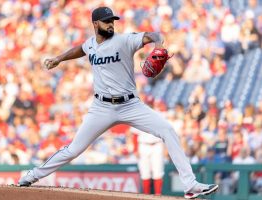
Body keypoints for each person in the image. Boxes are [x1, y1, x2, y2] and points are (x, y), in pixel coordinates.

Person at [18, 6, 218, 199]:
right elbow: (81, 49)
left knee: (167, 130)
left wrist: (158, 45)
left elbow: (154, 34)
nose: (111, 24)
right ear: (95, 24)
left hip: (130, 105)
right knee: (73, 150)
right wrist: (59, 58)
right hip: (101, 108)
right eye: (106, 22)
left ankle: (190, 185)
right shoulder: (90, 44)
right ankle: (32, 175)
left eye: (112, 21)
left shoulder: (124, 40)